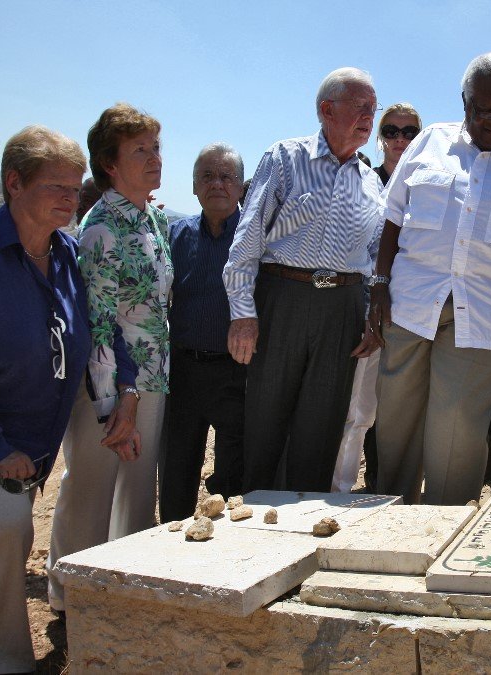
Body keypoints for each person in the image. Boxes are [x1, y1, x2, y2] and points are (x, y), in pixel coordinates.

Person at [0, 125, 136, 673]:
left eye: (75, 187)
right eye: (55, 186)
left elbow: (102, 329)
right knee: (4, 524)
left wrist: (127, 389)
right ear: (14, 182)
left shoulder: (66, 255)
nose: (70, 198)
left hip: (31, 437)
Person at [370, 52, 491, 506]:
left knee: (456, 435)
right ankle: (390, 525)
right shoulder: (428, 144)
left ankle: (445, 530)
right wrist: (379, 284)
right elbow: (392, 219)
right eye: (486, 109)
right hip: (409, 308)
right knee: (396, 428)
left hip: (486, 322)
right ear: (465, 100)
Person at [224, 67, 383, 493]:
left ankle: (304, 519)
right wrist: (243, 315)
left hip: (342, 311)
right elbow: (248, 239)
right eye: (360, 106)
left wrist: (370, 317)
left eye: (373, 108)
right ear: (327, 109)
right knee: (266, 420)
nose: (369, 117)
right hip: (283, 301)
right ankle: (255, 517)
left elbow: (373, 261)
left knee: (322, 426)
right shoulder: (285, 158)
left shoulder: (371, 183)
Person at [48, 103, 171, 613]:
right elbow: (98, 321)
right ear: (109, 164)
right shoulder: (101, 228)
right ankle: (70, 600)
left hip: (151, 378)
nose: (154, 158)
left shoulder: (152, 220)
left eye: (156, 147)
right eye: (139, 150)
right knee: (91, 491)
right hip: (111, 384)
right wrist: (111, 400)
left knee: (136, 492)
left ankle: (120, 596)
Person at [331, 102, 422, 494]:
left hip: (411, 311)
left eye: (410, 132)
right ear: (380, 137)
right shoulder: (363, 181)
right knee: (354, 408)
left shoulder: (427, 188)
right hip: (361, 306)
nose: (400, 139)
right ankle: (337, 490)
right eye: (391, 131)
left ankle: (384, 491)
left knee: (393, 410)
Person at [160, 144, 247, 521]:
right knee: (177, 469)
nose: (217, 184)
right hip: (184, 372)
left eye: (227, 176)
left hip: (238, 374)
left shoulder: (256, 239)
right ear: (194, 185)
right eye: (207, 176)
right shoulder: (175, 236)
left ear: (241, 187)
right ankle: (169, 542)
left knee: (235, 476)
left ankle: (230, 549)